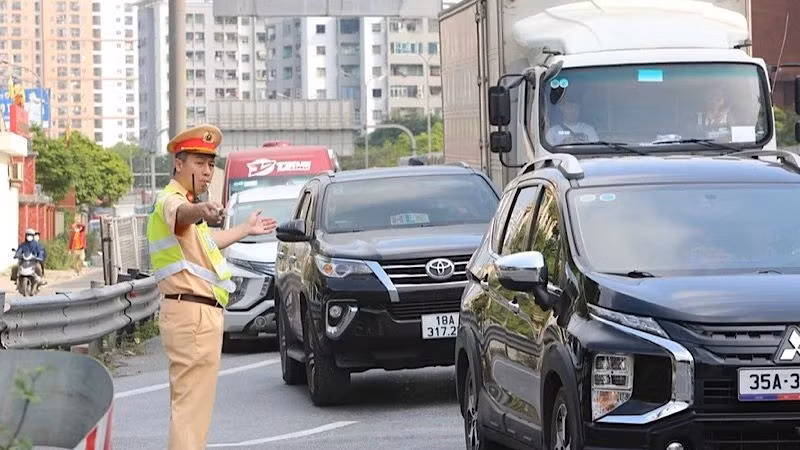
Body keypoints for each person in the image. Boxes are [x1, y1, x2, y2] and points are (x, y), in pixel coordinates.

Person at [147, 124, 277, 450]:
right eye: (199, 163)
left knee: (194, 410)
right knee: (190, 413)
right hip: (191, 313)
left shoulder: (187, 205)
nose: (207, 172)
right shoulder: (173, 201)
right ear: (179, 163)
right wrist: (200, 210)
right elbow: (181, 214)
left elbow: (209, 242)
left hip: (196, 313)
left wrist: (245, 229)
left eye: (211, 164)